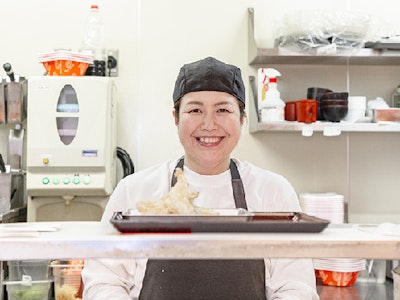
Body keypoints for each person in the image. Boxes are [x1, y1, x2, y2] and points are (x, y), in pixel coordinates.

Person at [82, 57, 319, 300]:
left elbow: (296, 287)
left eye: (223, 110)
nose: (208, 124)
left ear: (242, 118)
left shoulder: (273, 191)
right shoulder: (134, 191)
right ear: (175, 118)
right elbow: (103, 282)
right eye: (195, 110)